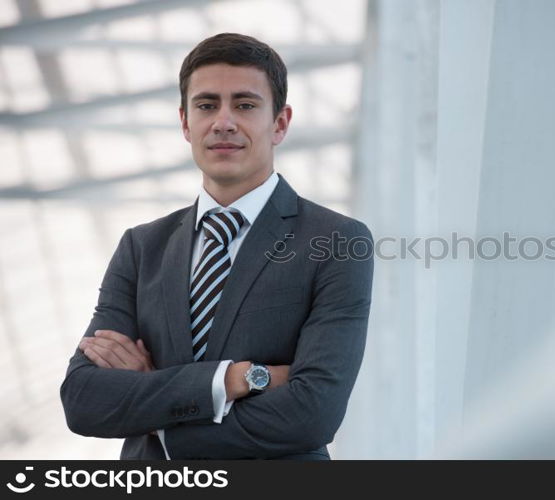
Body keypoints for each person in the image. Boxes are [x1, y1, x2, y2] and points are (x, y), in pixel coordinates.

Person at [60, 33, 373, 460]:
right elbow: (84, 400)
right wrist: (234, 379)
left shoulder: (336, 242)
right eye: (207, 105)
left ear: (280, 123)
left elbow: (313, 411)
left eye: (244, 105)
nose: (223, 122)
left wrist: (161, 418)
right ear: (186, 123)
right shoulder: (142, 247)